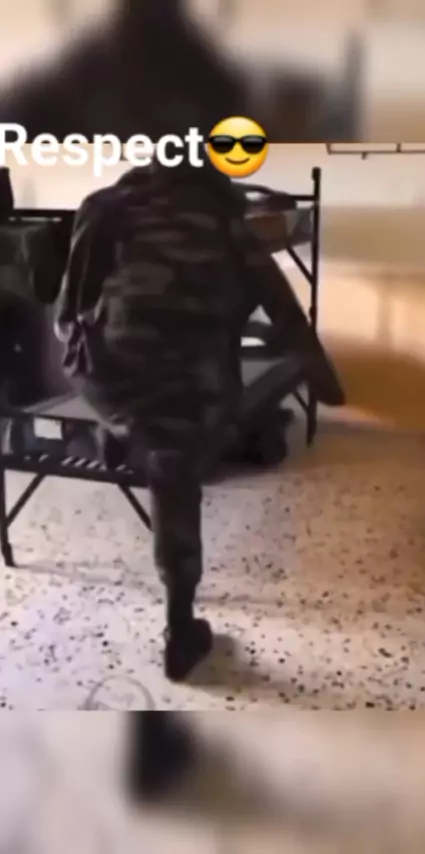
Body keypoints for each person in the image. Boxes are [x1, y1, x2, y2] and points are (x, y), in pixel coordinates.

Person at [55, 157, 342, 682]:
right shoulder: (224, 216)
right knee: (180, 469)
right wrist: (325, 382)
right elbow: (281, 306)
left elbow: (66, 315)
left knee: (105, 378)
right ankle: (179, 625)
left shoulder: (103, 207)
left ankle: (118, 428)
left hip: (115, 382)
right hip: (198, 389)